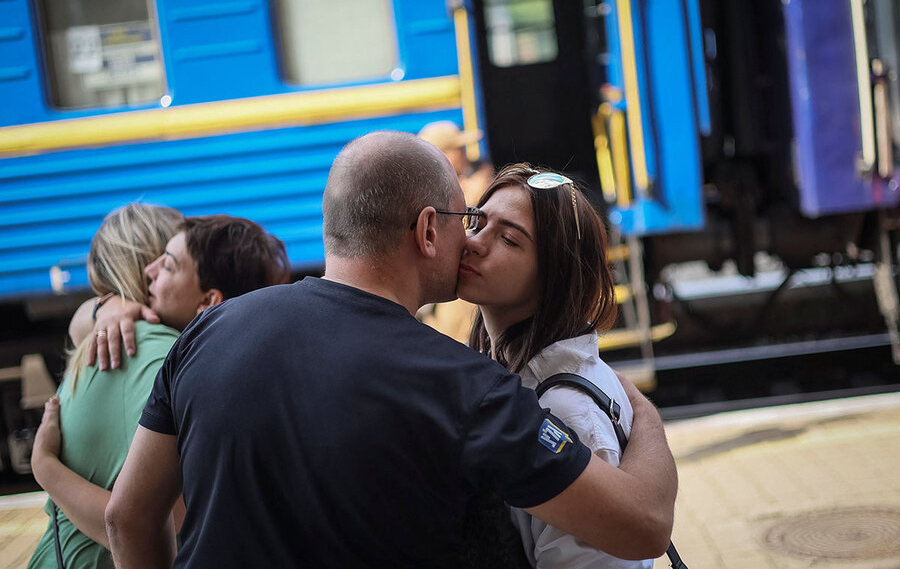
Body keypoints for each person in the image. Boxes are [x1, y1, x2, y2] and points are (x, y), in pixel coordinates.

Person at [105, 130, 677, 568]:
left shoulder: (207, 333)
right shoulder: (466, 387)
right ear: (429, 231)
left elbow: (127, 516)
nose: (471, 240)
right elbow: (643, 524)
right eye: (467, 220)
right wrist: (646, 418)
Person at [28, 210, 289, 569]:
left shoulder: (125, 341)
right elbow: (150, 524)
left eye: (168, 264)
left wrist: (46, 469)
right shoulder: (154, 350)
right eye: (159, 260)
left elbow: (161, 522)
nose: (154, 272)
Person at [458, 164, 653, 567]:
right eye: (477, 222)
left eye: (509, 240)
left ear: (553, 276)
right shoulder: (519, 374)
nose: (475, 243)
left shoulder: (562, 409)